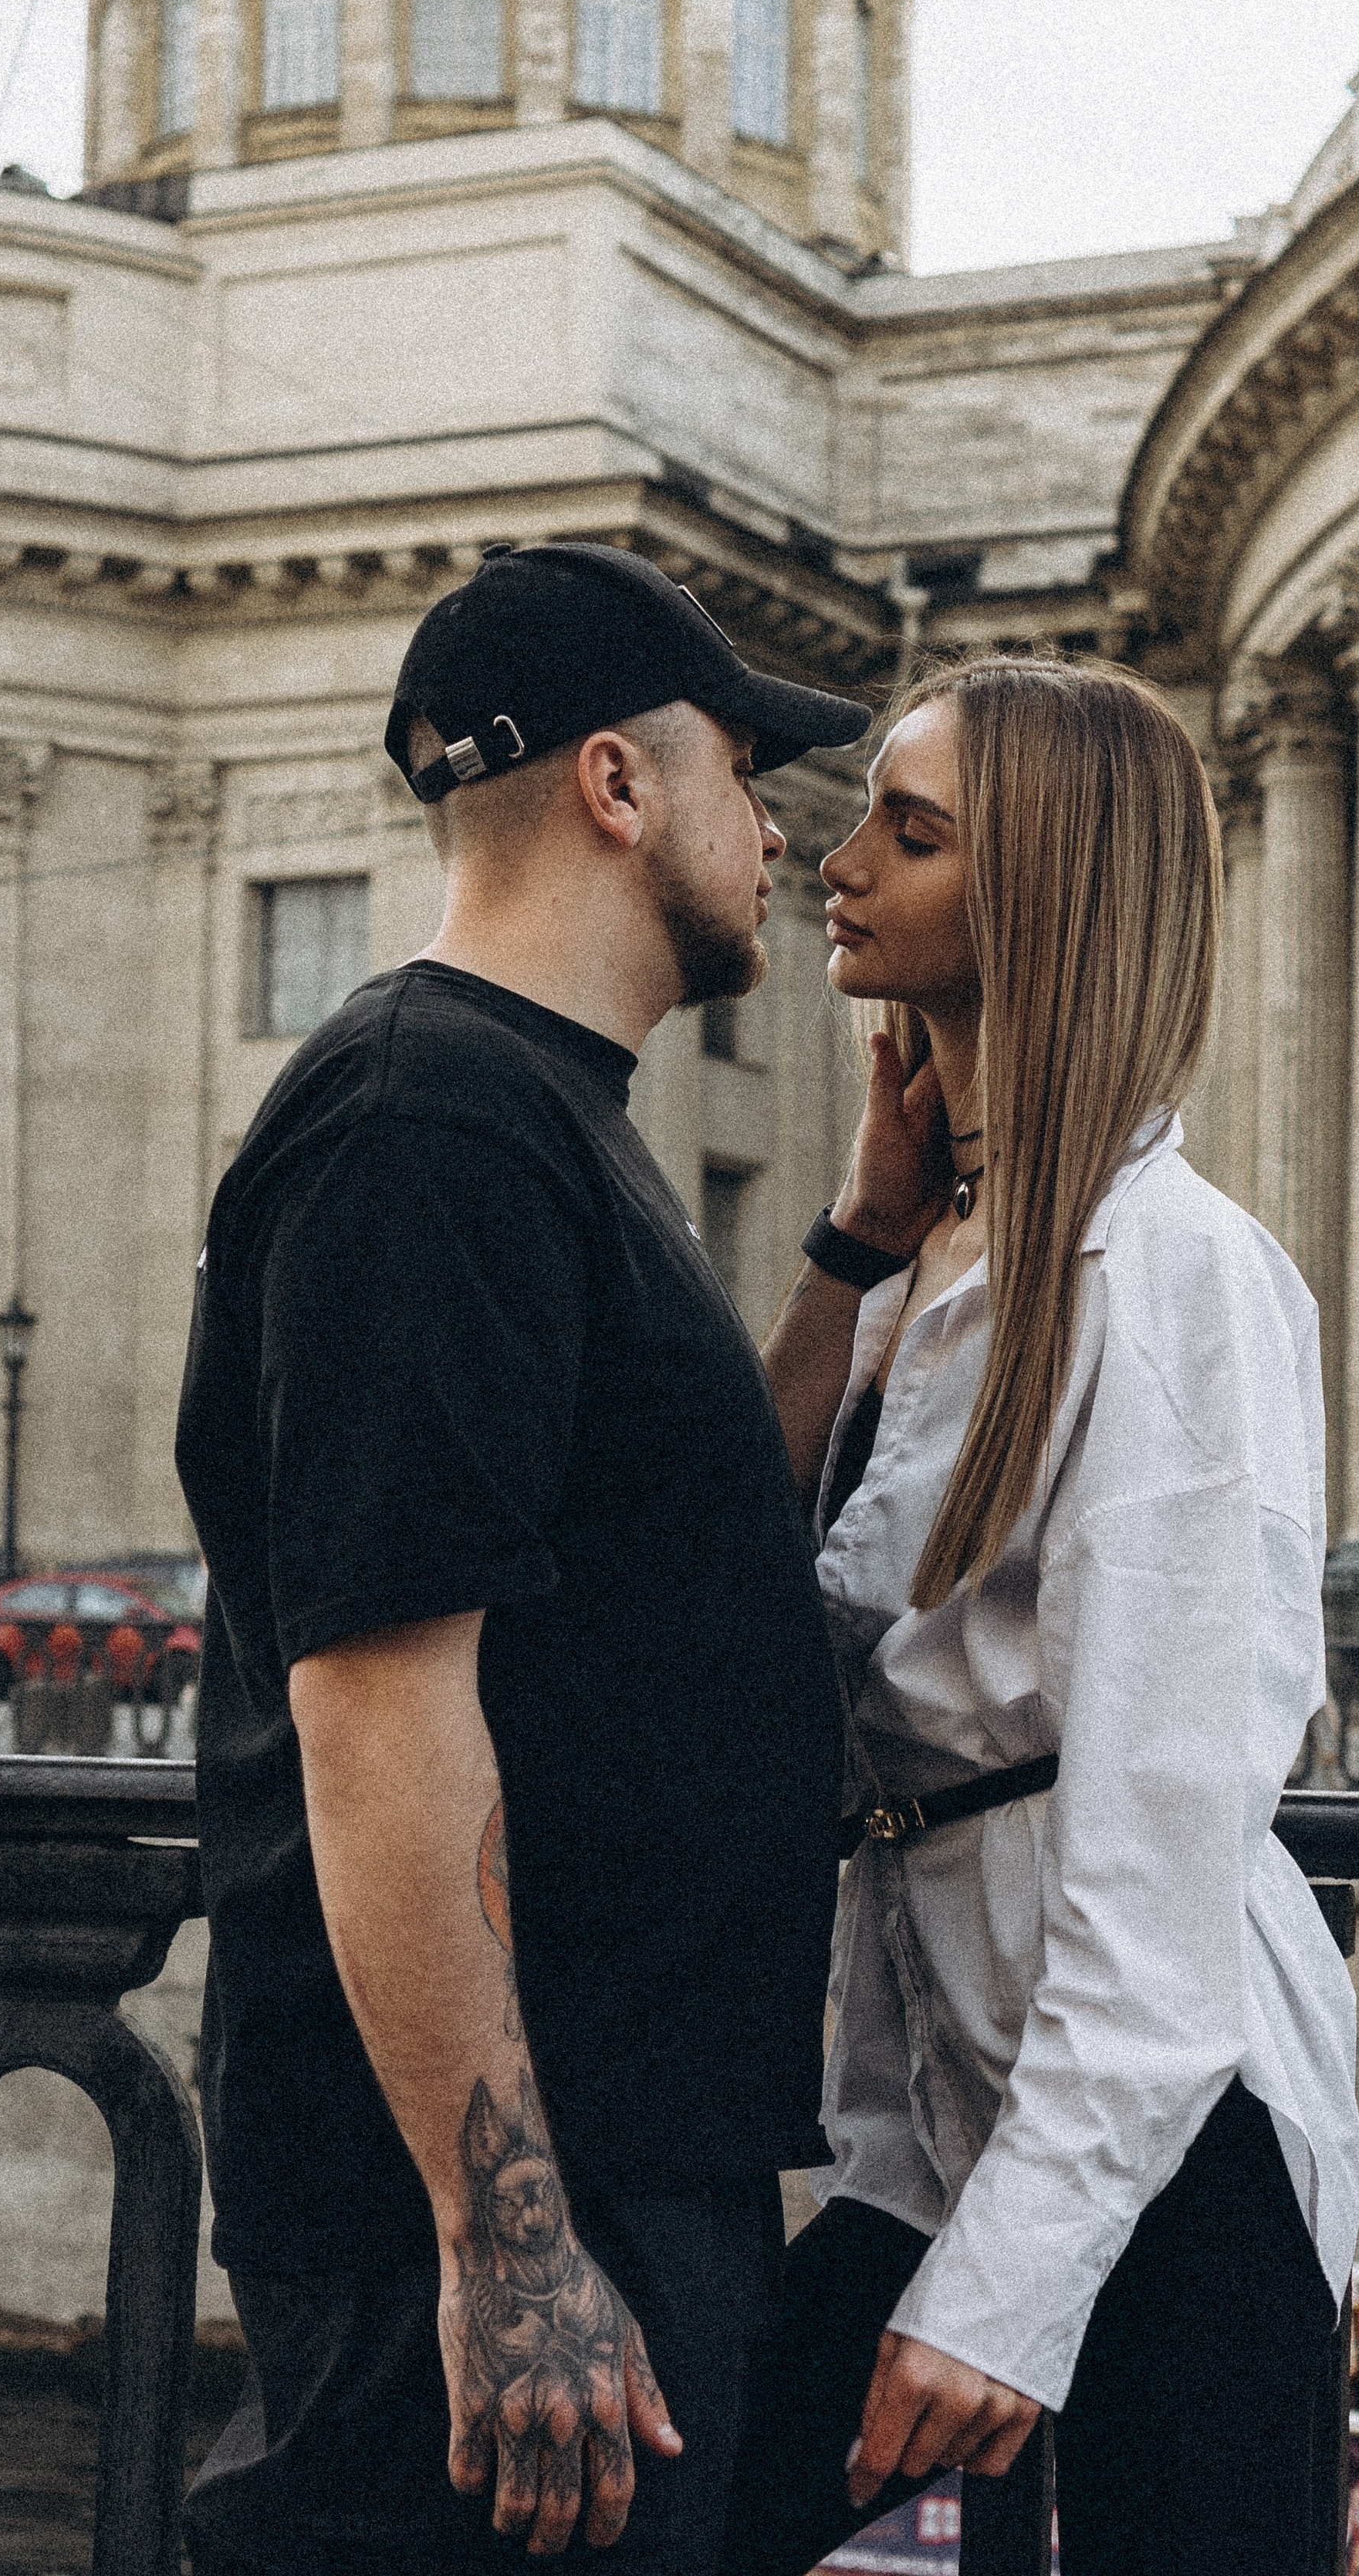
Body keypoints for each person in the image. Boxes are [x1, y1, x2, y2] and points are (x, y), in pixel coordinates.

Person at [174, 542, 871, 2574]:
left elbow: (680, 1537)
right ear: (616, 784)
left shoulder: (533, 1117)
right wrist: (510, 2248)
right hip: (497, 2215)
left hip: (615, 2163)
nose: (777, 827)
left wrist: (850, 1243)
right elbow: (385, 1713)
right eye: (748, 769)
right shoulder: (432, 1129)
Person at [725, 652, 1359, 2576]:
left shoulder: (1172, 1278)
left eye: (908, 833)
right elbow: (752, 1586)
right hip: (947, 2116)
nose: (838, 862)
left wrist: (999, 2288)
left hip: (1166, 2151)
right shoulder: (947, 1252)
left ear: (1044, 898)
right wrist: (855, 1229)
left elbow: (1164, 1847)